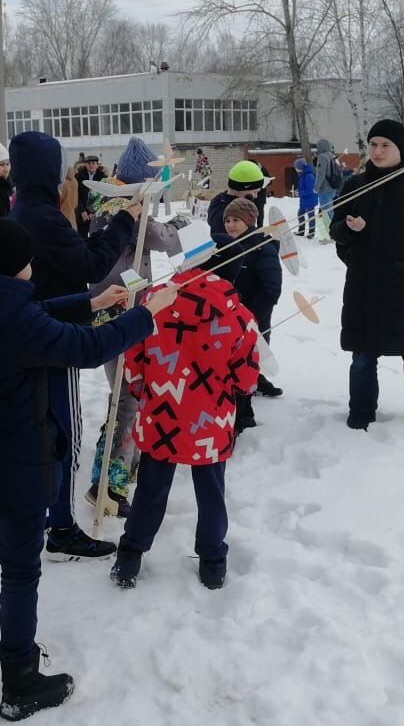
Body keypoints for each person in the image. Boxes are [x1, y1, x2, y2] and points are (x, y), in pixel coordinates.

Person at [0, 215, 172, 719]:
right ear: (9, 265)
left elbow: (34, 313)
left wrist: (92, 303)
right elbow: (84, 350)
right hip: (17, 464)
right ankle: (20, 678)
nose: (31, 268)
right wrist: (144, 316)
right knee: (20, 571)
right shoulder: (17, 319)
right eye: (26, 261)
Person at [8, 131, 140, 560]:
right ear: (49, 172)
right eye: (61, 168)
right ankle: (60, 524)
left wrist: (89, 300)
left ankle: (46, 514)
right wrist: (125, 221)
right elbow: (91, 262)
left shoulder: (23, 210)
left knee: (45, 430)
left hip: (37, 327)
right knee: (66, 432)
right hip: (53, 335)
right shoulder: (42, 217)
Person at [111, 264, 261, 592]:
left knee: (150, 488)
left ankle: (130, 555)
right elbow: (247, 379)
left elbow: (134, 361)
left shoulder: (154, 302)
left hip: (161, 414)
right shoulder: (238, 315)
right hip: (211, 420)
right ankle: (212, 562)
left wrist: (142, 391)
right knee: (211, 491)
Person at [85, 138, 188, 517]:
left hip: (114, 307)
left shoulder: (106, 202)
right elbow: (165, 240)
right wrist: (177, 224)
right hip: (121, 310)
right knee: (127, 398)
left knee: (125, 395)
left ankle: (121, 465)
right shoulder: (125, 210)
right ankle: (107, 484)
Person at [331, 120, 404, 432]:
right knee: (362, 359)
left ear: (401, 148)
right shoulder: (354, 186)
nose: (378, 151)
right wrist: (349, 233)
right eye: (373, 145)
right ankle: (360, 412)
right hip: (364, 290)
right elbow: (335, 232)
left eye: (386, 145)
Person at [222, 196, 283, 423]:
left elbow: (271, 288)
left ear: (250, 221)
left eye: (236, 220)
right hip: (230, 319)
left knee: (246, 362)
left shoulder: (262, 248)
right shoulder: (228, 246)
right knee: (234, 363)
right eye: (227, 220)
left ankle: (244, 416)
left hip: (253, 319)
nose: (230, 225)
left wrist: (250, 318)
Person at [206, 160, 266, 239]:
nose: (255, 196)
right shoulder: (226, 211)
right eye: (254, 191)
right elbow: (236, 244)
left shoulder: (224, 201)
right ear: (242, 188)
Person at [314, 139, 343, 241]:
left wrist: (316, 187)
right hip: (333, 186)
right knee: (331, 211)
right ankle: (335, 233)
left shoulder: (322, 157)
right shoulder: (332, 156)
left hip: (325, 188)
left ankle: (331, 235)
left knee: (326, 212)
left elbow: (320, 174)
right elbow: (340, 171)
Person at [75, 154, 106, 237]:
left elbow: (104, 196)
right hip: (82, 214)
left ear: (97, 165)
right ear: (85, 164)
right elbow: (76, 195)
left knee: (96, 238)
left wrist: (94, 211)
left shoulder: (103, 177)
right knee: (82, 238)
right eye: (89, 163)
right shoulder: (78, 176)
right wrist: (82, 210)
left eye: (93, 163)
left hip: (97, 213)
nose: (91, 165)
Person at [295, 156, 318, 238]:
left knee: (311, 216)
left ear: (300, 167)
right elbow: (303, 186)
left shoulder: (309, 176)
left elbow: (311, 190)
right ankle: (301, 231)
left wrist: (300, 193)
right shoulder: (303, 175)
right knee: (300, 214)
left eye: (296, 167)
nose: (296, 169)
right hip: (304, 199)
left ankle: (311, 233)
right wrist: (298, 190)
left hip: (310, 199)